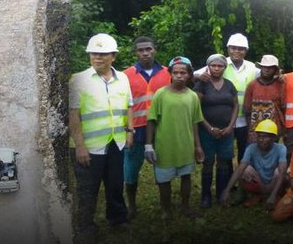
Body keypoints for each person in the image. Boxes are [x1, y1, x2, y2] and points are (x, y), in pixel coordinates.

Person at [68, 33, 132, 236]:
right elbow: (73, 114)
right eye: (94, 53)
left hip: (116, 142)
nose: (98, 57)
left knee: (115, 185)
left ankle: (117, 219)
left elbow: (129, 106)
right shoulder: (78, 80)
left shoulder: (123, 78)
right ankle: (85, 226)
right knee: (88, 189)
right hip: (89, 146)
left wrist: (130, 131)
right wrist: (79, 146)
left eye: (103, 54)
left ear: (113, 56)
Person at [145, 56, 205, 220]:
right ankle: (166, 209)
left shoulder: (192, 96)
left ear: (189, 75)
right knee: (164, 181)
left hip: (185, 145)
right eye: (176, 72)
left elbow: (195, 123)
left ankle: (185, 206)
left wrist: (197, 146)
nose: (179, 75)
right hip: (165, 146)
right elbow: (152, 120)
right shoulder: (161, 94)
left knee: (186, 176)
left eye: (183, 72)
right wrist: (148, 145)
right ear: (170, 73)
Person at [123, 36, 171, 218]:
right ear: (136, 52)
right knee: (130, 170)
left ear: (155, 49)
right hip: (135, 129)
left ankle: (165, 207)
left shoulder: (168, 73)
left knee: (162, 168)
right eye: (140, 50)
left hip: (160, 128)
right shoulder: (126, 75)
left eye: (148, 49)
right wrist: (127, 129)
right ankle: (132, 206)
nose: (145, 53)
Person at [195, 33, 257, 162]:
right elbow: (193, 74)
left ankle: (242, 179)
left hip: (244, 118)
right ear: (228, 49)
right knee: (226, 156)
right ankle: (228, 181)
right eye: (233, 48)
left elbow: (267, 75)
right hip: (225, 120)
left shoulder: (252, 67)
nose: (236, 51)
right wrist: (198, 77)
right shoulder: (219, 62)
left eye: (240, 48)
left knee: (243, 151)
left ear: (245, 51)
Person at [194, 54, 238, 209]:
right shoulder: (202, 84)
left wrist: (231, 126)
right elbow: (196, 109)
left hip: (226, 131)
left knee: (223, 162)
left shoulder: (229, 85)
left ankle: (221, 193)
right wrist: (209, 128)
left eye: (220, 66)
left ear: (224, 68)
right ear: (208, 67)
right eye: (214, 65)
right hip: (207, 131)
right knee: (208, 162)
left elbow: (235, 106)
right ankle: (206, 196)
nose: (217, 68)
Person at [220, 119, 288, 209]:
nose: (260, 140)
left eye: (265, 137)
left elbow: (282, 172)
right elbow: (240, 168)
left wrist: (273, 195)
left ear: (273, 138)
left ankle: (273, 196)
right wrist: (227, 190)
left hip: (274, 183)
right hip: (260, 182)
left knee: (279, 172)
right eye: (259, 136)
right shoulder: (251, 148)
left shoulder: (281, 149)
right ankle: (258, 195)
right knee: (245, 170)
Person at [244, 55, 286, 144]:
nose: (267, 70)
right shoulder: (252, 85)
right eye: (264, 67)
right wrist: (249, 127)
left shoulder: (280, 84)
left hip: (274, 128)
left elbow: (283, 105)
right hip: (255, 128)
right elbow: (247, 108)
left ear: (275, 70)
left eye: (270, 68)